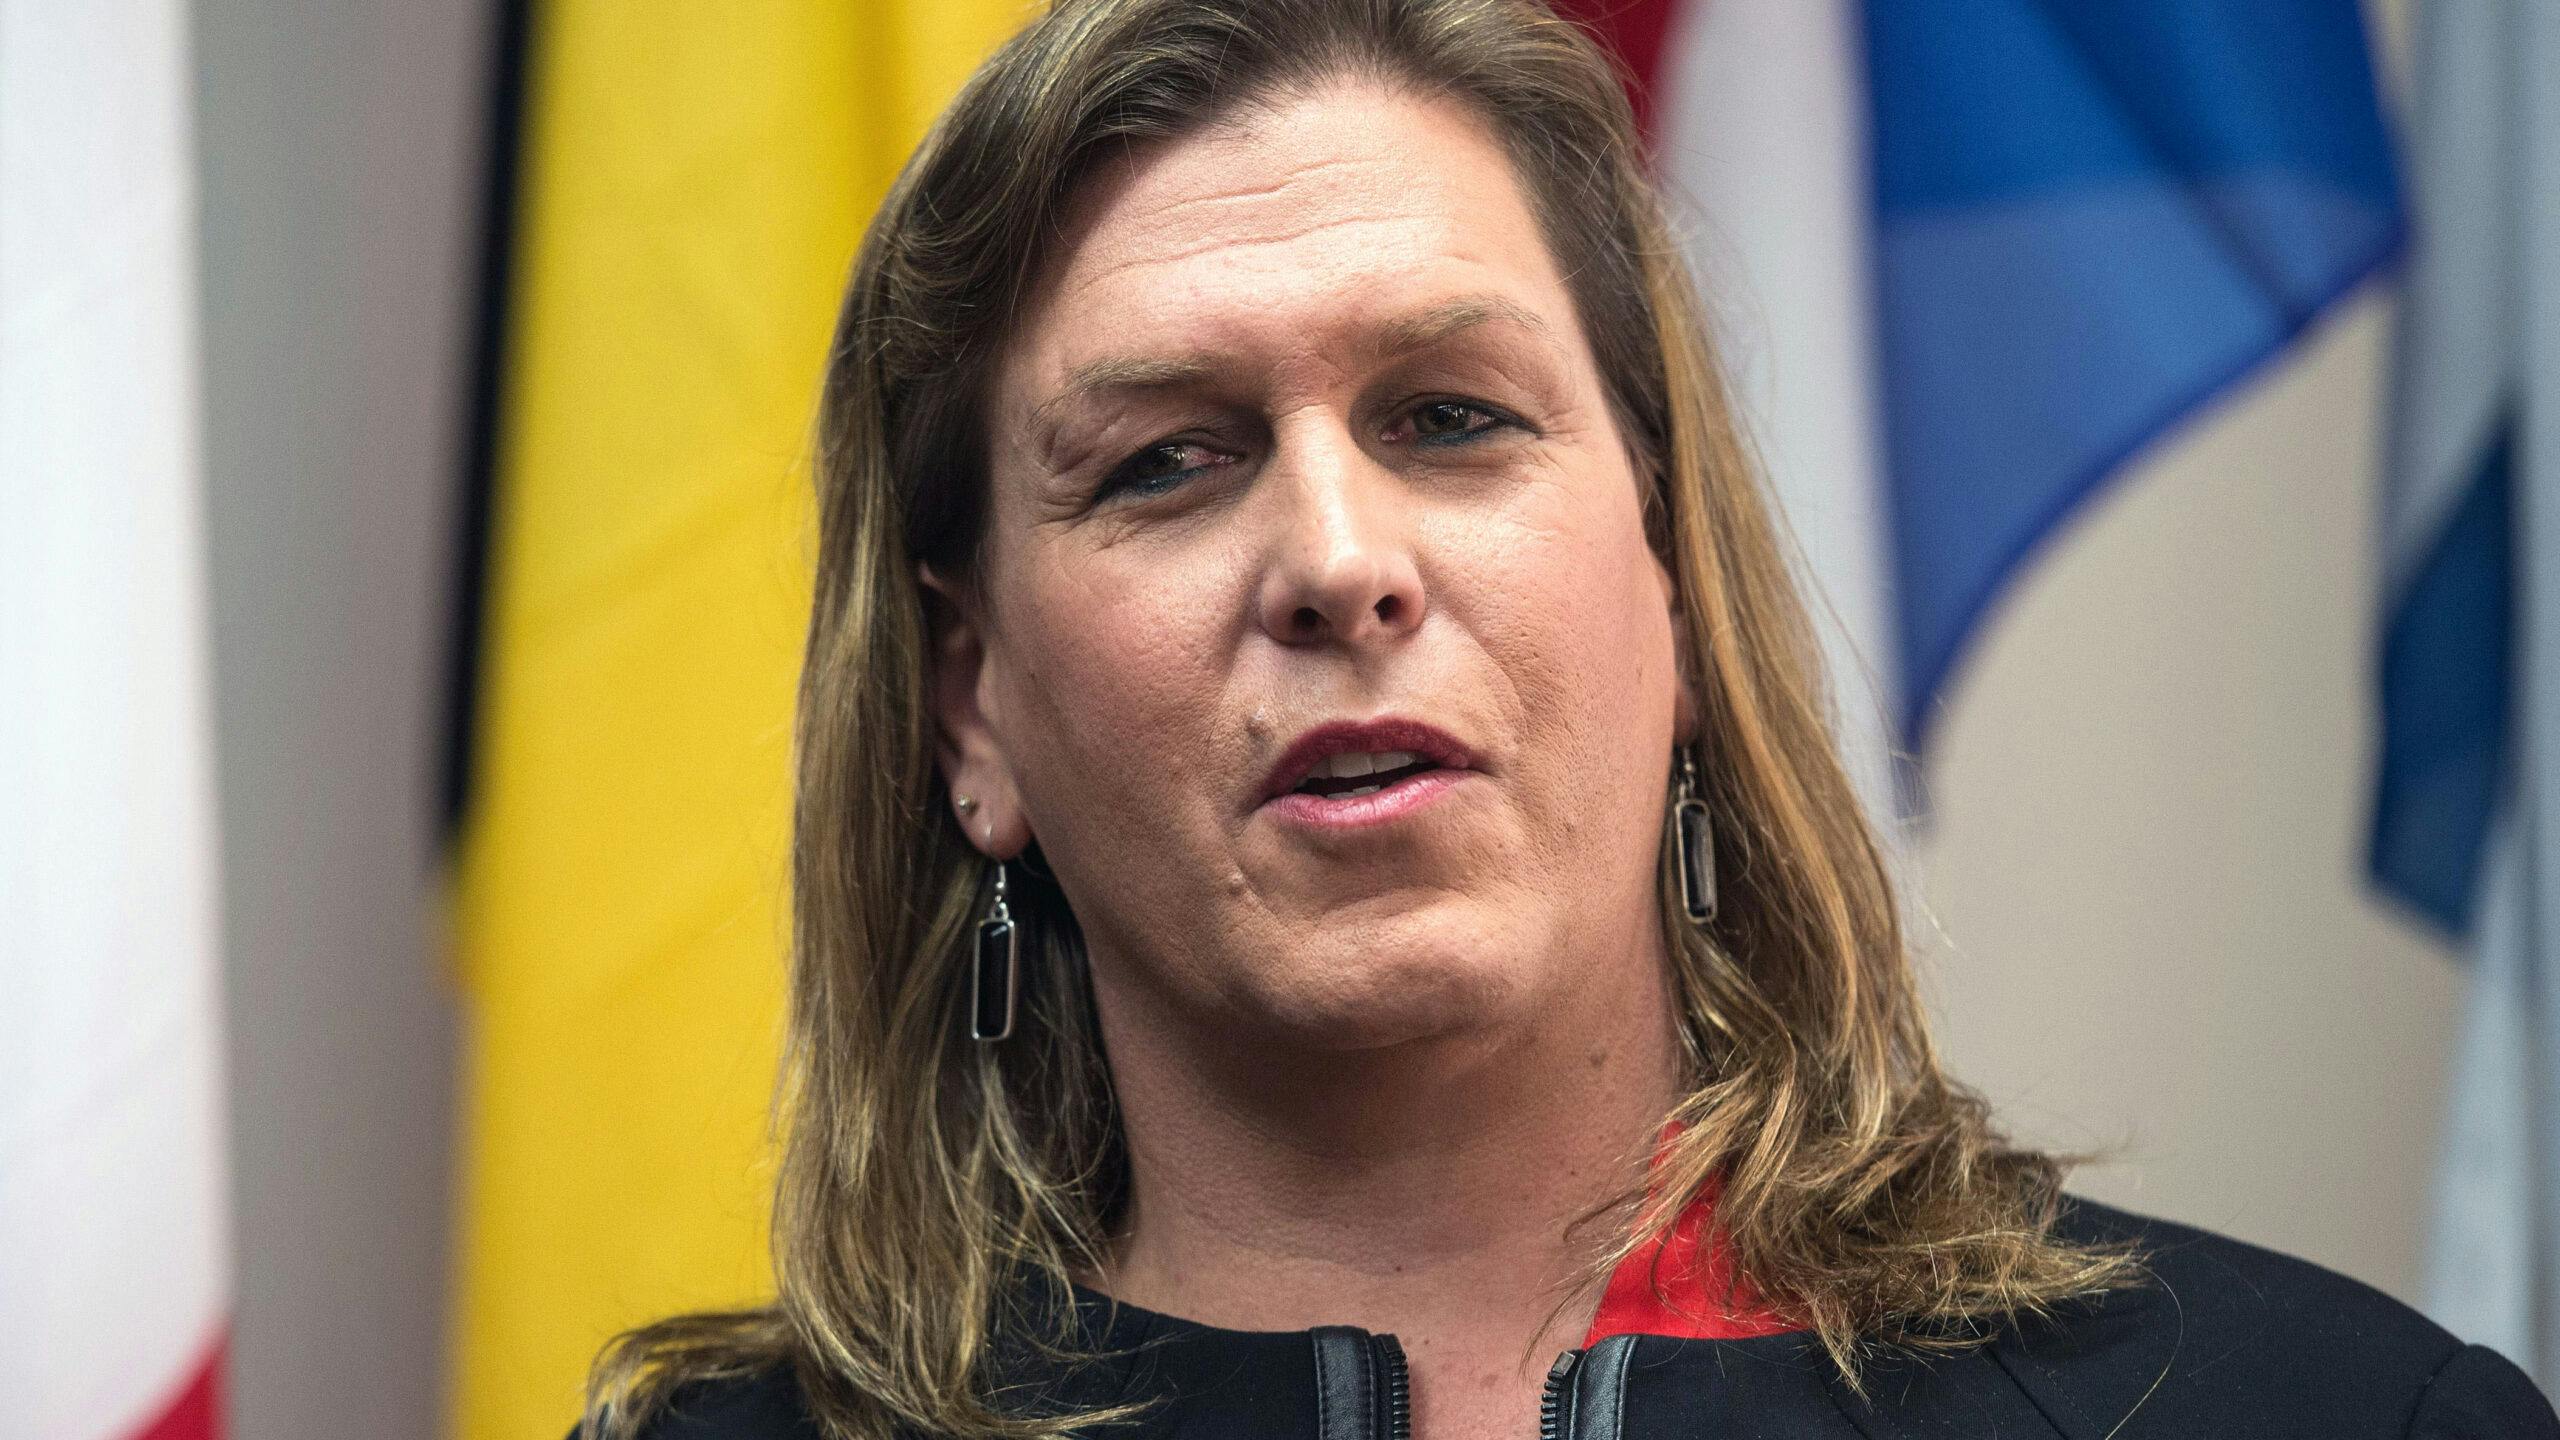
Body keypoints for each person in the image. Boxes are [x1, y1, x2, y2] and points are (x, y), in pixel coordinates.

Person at [571, 1, 2560, 1436]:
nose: (1338, 560)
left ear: (1671, 584)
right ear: (971, 710)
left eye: (1451, 418)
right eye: (1166, 460)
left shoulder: (2333, 1415)